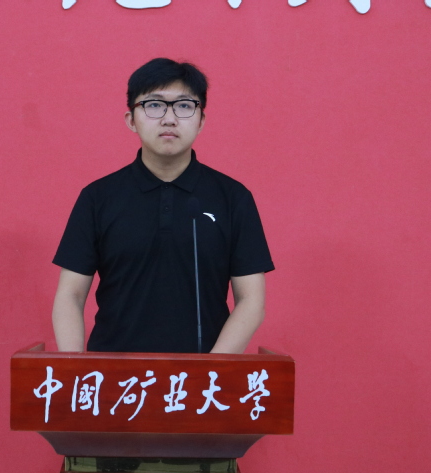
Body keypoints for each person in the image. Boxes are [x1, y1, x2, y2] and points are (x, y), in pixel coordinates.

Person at [52, 58, 274, 354]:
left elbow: (251, 301)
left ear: (201, 120)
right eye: (154, 105)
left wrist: (211, 371)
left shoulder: (233, 198)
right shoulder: (97, 197)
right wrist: (73, 369)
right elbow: (71, 295)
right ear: (131, 120)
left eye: (184, 106)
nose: (169, 119)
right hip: (113, 374)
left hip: (204, 376)